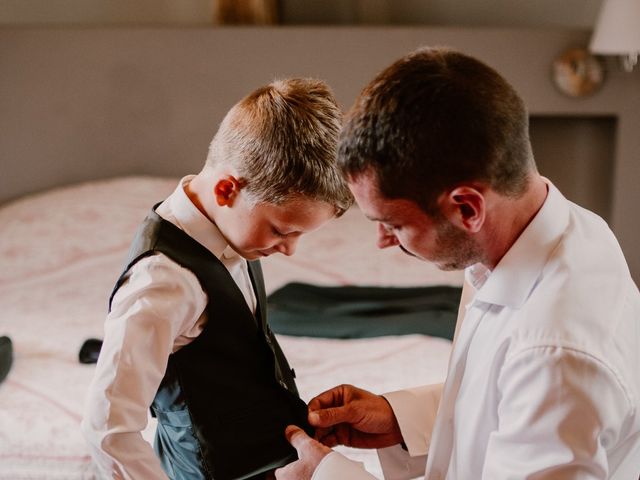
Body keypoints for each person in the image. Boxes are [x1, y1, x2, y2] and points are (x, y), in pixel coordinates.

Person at [275, 48, 640, 479]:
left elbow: (539, 385)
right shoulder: (559, 229)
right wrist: (400, 420)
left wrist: (328, 475)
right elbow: (504, 402)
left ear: (467, 209)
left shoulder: (556, 354)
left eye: (392, 224)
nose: (381, 242)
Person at [81, 77, 353, 480]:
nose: (290, 250)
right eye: (282, 231)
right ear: (227, 190)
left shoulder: (230, 231)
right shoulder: (163, 281)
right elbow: (108, 430)